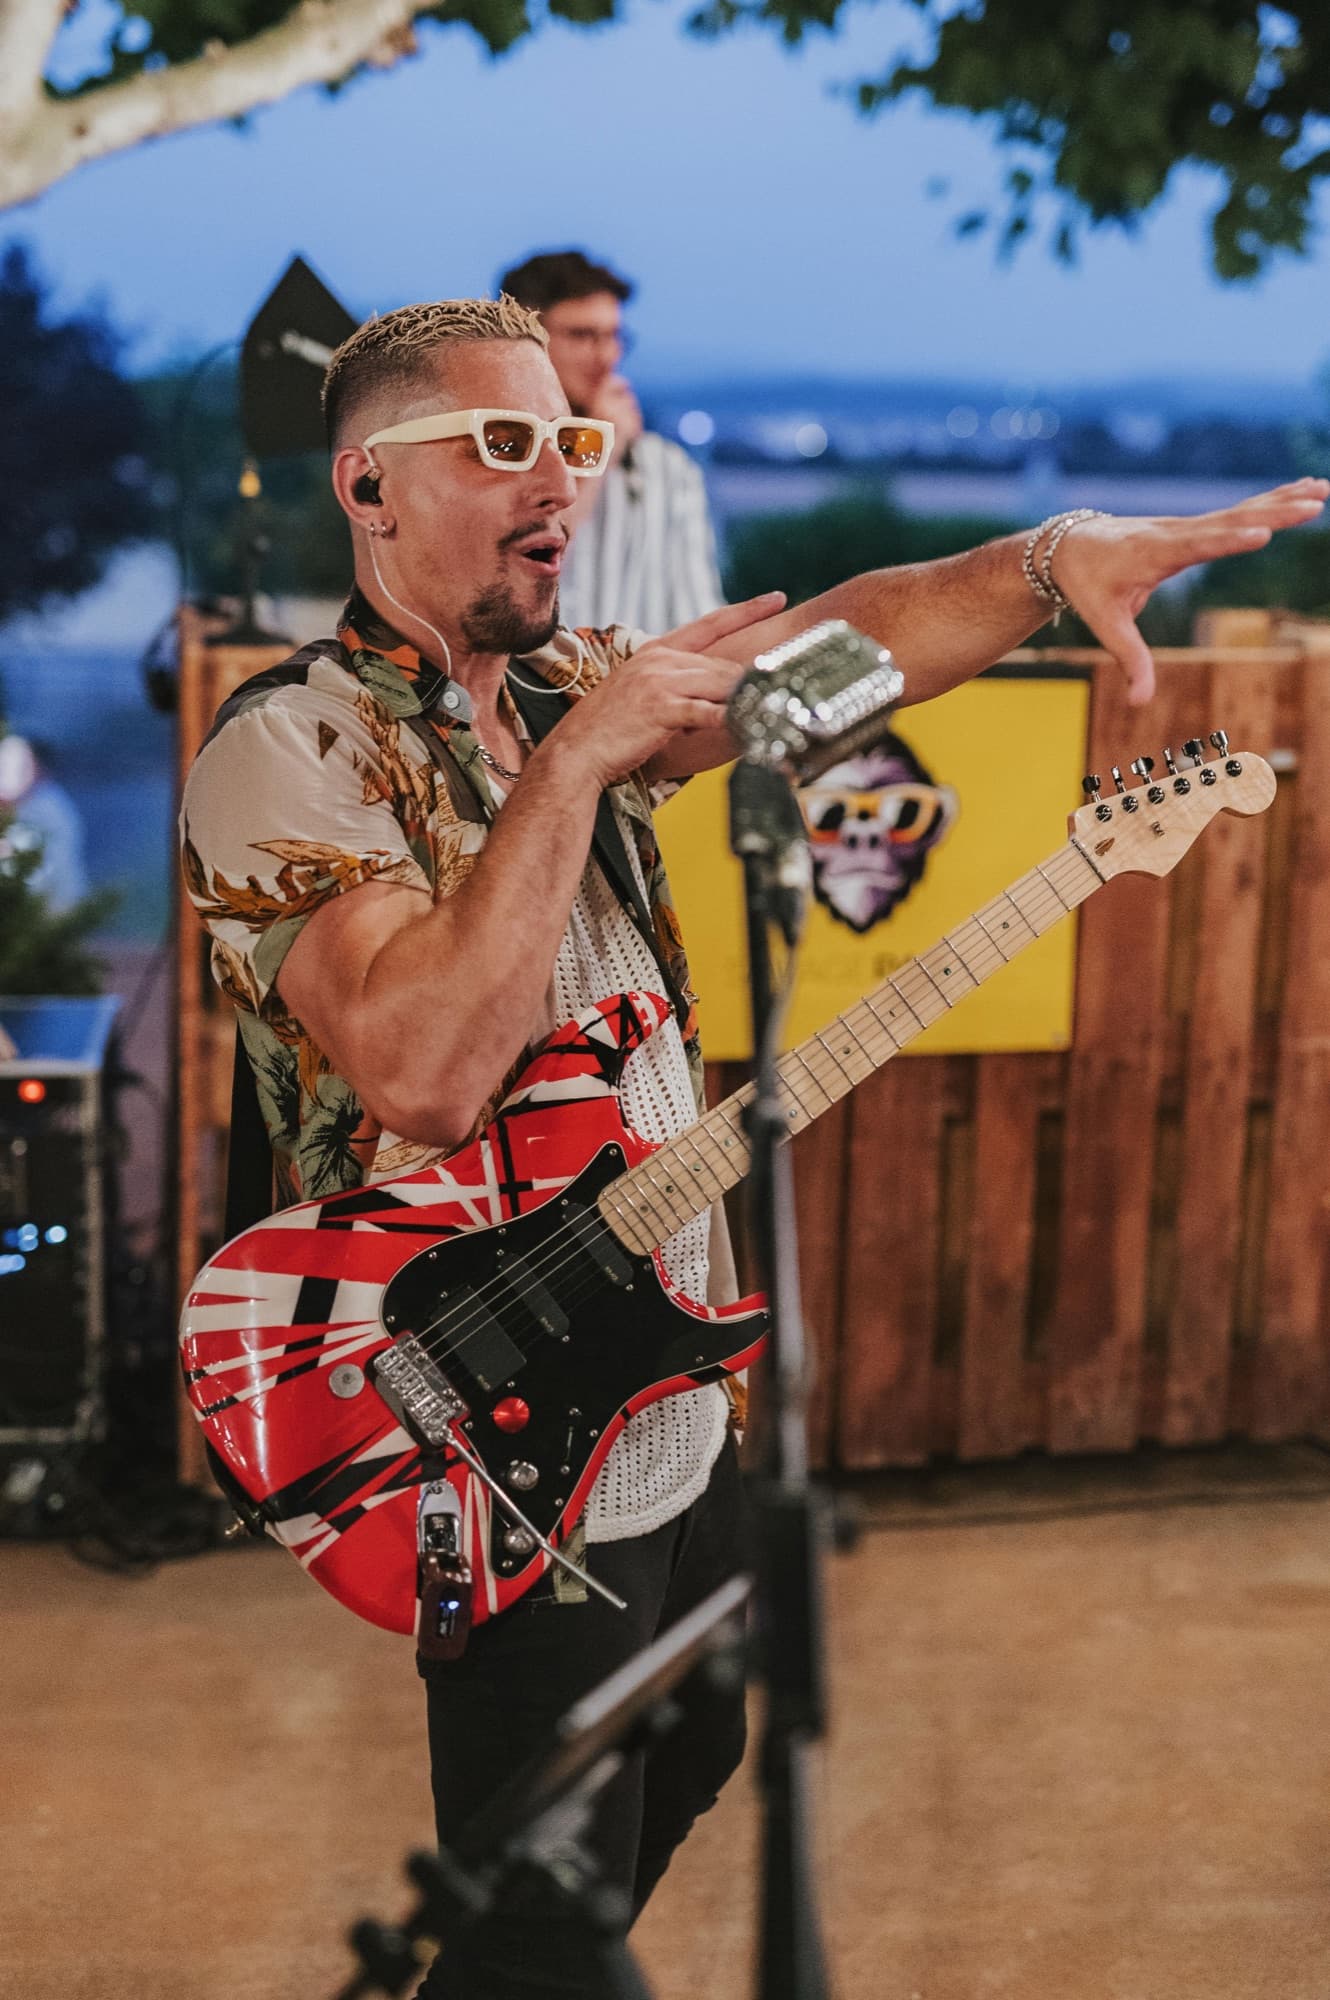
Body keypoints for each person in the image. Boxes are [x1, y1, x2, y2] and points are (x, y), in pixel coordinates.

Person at [177, 292, 1325, 1997]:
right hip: (495, 1419)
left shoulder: (566, 693)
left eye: (569, 440)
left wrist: (1041, 562)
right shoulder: (291, 746)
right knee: (546, 1915)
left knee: (695, 1745)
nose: (557, 478)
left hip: (661, 1388)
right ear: (366, 488)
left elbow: (837, 655)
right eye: (499, 442)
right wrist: (581, 761)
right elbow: (423, 1071)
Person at [498, 249, 725, 632]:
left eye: (614, 336)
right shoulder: (497, 456)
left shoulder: (663, 467)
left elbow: (698, 615)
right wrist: (598, 450)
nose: (606, 356)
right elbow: (513, 589)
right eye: (582, 336)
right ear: (524, 341)